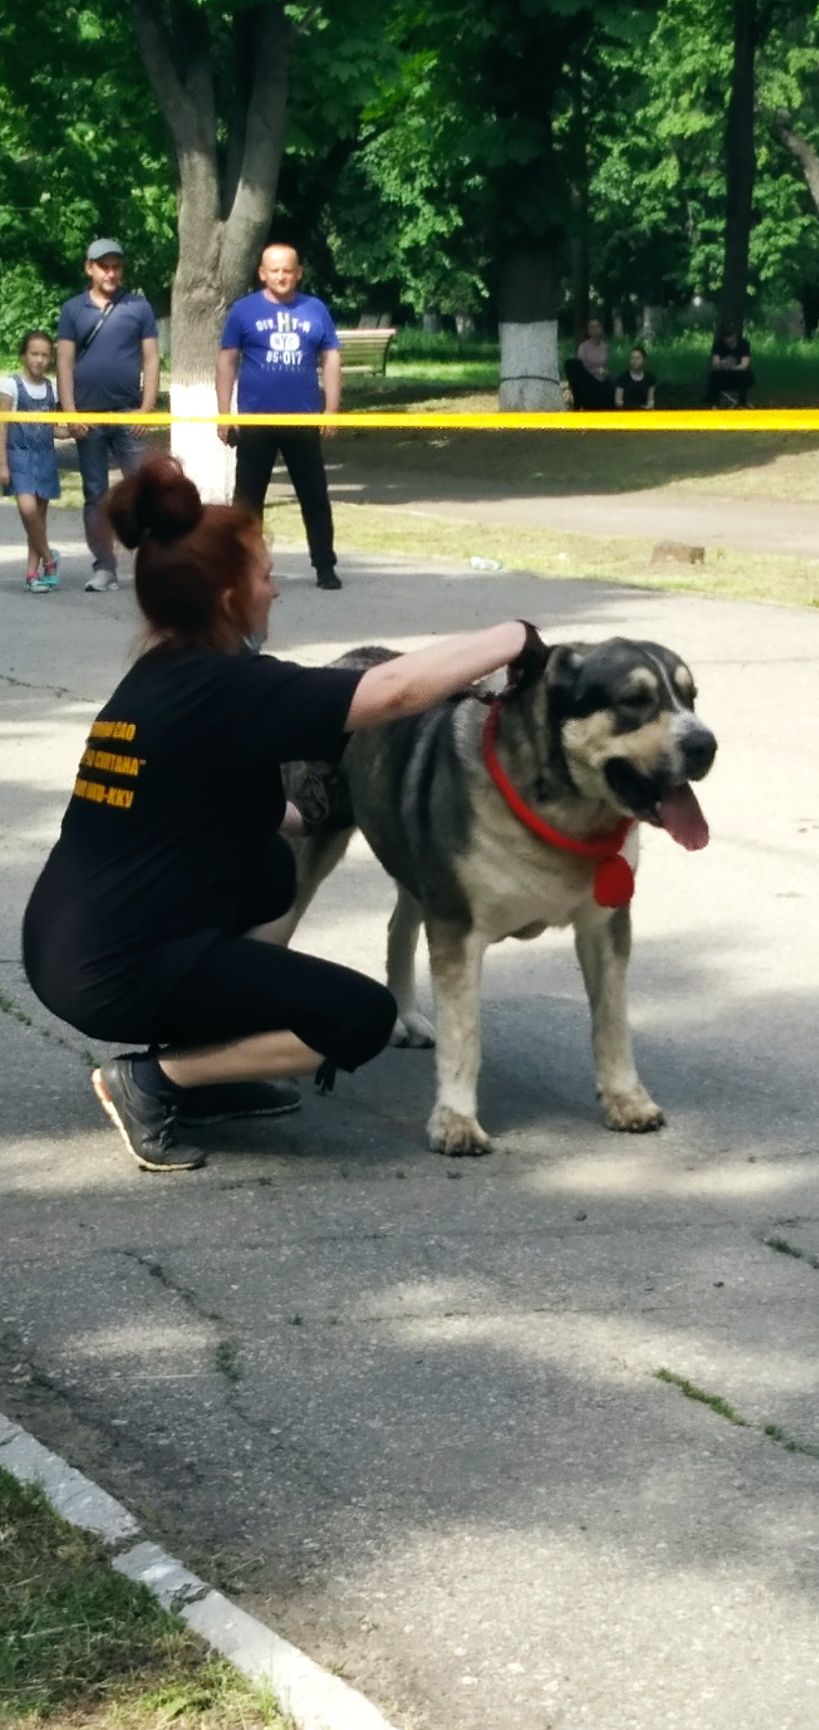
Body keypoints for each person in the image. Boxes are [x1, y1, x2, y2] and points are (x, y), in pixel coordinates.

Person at [21, 454, 539, 1173]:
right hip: (115, 970)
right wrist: (512, 635)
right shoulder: (229, 686)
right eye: (265, 575)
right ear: (229, 597)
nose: (276, 591)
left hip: (64, 944)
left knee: (270, 869)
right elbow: (387, 691)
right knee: (356, 1017)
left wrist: (307, 814)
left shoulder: (162, 676)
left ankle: (209, 1068)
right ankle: (154, 1080)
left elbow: (222, 808)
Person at [217, 244, 343, 590]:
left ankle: (324, 566)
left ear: (298, 272)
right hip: (256, 421)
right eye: (274, 270)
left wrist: (331, 410)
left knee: (314, 496)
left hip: (302, 420)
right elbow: (227, 362)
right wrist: (223, 414)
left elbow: (330, 358)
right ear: (262, 273)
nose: (281, 276)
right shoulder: (243, 311)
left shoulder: (315, 309)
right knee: (247, 501)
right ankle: (244, 568)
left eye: (288, 270)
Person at [56, 237, 160, 592]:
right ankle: (104, 566)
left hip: (129, 414)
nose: (111, 272)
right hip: (88, 418)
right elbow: (65, 363)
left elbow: (151, 359)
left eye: (116, 266)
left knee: (144, 492)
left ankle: (154, 565)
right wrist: (70, 412)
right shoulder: (73, 310)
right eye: (104, 266)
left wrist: (146, 409)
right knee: (96, 494)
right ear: (90, 268)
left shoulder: (139, 307)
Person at [0, 331, 62, 592]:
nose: (39, 360)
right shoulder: (10, 385)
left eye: (44, 355)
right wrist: (2, 463)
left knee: (40, 515)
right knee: (27, 509)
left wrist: (78, 429)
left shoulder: (52, 388)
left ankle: (32, 574)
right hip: (19, 455)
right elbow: (2, 425)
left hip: (45, 456)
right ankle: (50, 559)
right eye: (34, 354)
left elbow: (54, 429)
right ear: (24, 354)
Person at [564, 317, 614, 412]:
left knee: (611, 385)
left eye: (597, 327)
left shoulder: (605, 347)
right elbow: (580, 370)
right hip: (588, 380)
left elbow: (605, 365)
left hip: (602, 379)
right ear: (588, 330)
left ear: (601, 328)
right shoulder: (583, 347)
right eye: (592, 327)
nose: (595, 330)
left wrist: (605, 372)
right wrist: (596, 371)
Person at [706, 320, 754, 409]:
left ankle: (742, 402)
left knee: (744, 375)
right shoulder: (718, 344)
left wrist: (733, 367)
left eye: (730, 336)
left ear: (735, 335)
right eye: (725, 337)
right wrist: (722, 364)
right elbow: (715, 363)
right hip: (724, 376)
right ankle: (714, 403)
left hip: (739, 375)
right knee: (713, 376)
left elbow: (744, 365)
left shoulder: (744, 344)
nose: (728, 340)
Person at [615, 344, 657, 412]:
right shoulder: (623, 377)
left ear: (644, 361)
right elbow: (618, 401)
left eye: (638, 358)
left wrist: (648, 407)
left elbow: (650, 401)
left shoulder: (650, 378)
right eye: (632, 358)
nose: (634, 361)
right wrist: (636, 407)